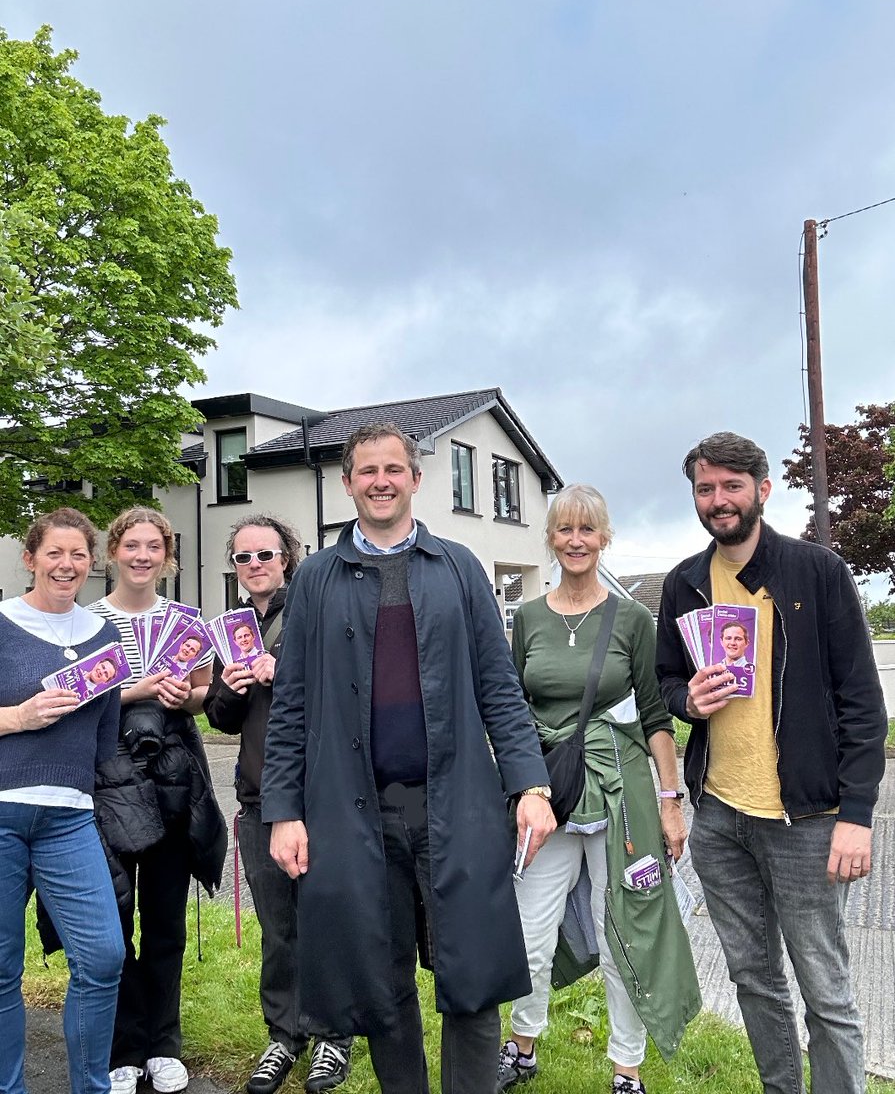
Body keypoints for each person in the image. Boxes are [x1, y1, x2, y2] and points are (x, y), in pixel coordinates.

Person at [262, 422, 556, 1094]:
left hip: (457, 804)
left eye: (393, 469)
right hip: (354, 811)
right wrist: (283, 810)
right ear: (348, 483)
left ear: (415, 479)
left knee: (473, 975)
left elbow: (498, 689)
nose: (381, 482)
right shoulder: (315, 578)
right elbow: (292, 707)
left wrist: (530, 786)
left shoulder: (457, 567)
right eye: (367, 471)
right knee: (380, 974)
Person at [656, 431, 887, 1094]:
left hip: (808, 821)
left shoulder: (816, 572)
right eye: (705, 488)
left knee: (826, 991)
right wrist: (688, 700)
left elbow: (862, 705)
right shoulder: (684, 583)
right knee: (753, 980)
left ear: (761, 489)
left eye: (731, 486)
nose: (717, 500)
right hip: (720, 819)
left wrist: (857, 815)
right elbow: (667, 679)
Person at [498, 485, 701, 1094]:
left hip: (622, 795)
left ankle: (626, 1067)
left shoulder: (633, 619)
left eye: (588, 530)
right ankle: (522, 1044)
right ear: (552, 539)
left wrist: (672, 803)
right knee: (530, 928)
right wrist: (517, 791)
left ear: (604, 537)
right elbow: (511, 710)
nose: (576, 541)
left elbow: (657, 718)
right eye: (565, 530)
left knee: (624, 930)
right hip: (549, 794)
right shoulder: (528, 618)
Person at [205, 515, 353, 1094]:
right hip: (258, 798)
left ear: (286, 558)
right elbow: (220, 719)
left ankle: (334, 1037)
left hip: (320, 798)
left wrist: (283, 669)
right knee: (279, 927)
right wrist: (231, 687)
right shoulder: (232, 629)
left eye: (264, 553)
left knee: (328, 919)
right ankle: (284, 1034)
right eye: (243, 558)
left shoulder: (314, 610)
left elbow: (344, 688)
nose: (255, 565)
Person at [90, 508, 227, 1094]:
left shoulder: (188, 621)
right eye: (132, 545)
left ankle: (164, 1044)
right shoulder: (86, 621)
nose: (142, 556)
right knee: (114, 920)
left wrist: (185, 695)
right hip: (108, 778)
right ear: (113, 553)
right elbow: (79, 698)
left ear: (167, 556)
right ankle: (124, 1046)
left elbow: (199, 697)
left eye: (154, 547)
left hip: (173, 778)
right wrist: (136, 690)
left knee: (166, 920)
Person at [0, 507, 126, 1094]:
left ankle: (91, 1088)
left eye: (78, 555)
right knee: (1, 971)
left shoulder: (104, 637)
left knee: (103, 958)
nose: (67, 564)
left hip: (69, 819)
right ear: (30, 559)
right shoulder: (1, 623)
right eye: (54, 552)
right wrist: (18, 717)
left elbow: (105, 737)